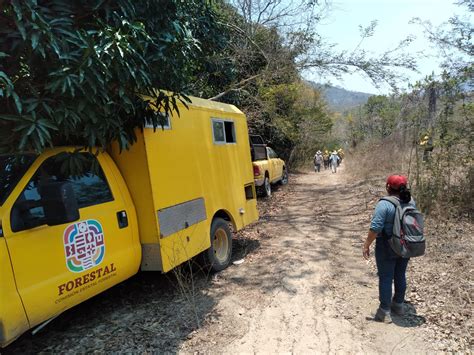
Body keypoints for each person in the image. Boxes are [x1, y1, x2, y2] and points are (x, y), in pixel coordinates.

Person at [363, 175, 414, 323]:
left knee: (386, 277)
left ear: (388, 187)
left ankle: (384, 311)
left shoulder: (384, 204)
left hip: (387, 245)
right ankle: (398, 305)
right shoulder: (411, 202)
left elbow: (376, 227)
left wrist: (367, 244)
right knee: (400, 274)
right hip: (406, 245)